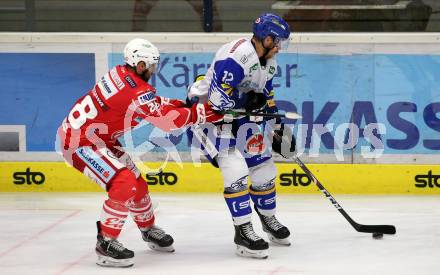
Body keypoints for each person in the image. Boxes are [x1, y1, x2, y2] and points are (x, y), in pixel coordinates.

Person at [57, 38, 223, 267]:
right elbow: (166, 122)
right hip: (79, 143)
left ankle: (147, 229)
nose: (153, 70)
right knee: (124, 182)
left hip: (98, 138)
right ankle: (105, 242)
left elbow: (152, 102)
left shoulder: (120, 74)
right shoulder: (136, 90)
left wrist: (178, 104)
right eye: (151, 66)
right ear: (140, 64)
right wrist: (204, 114)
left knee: (137, 183)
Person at [186, 13, 294, 259]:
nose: (280, 48)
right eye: (278, 42)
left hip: (236, 115)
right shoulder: (236, 56)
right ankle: (243, 232)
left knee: (264, 167)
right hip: (207, 117)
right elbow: (218, 99)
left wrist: (277, 126)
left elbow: (266, 94)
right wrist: (248, 100)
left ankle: (268, 220)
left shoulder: (269, 61)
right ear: (266, 39)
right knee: (235, 168)